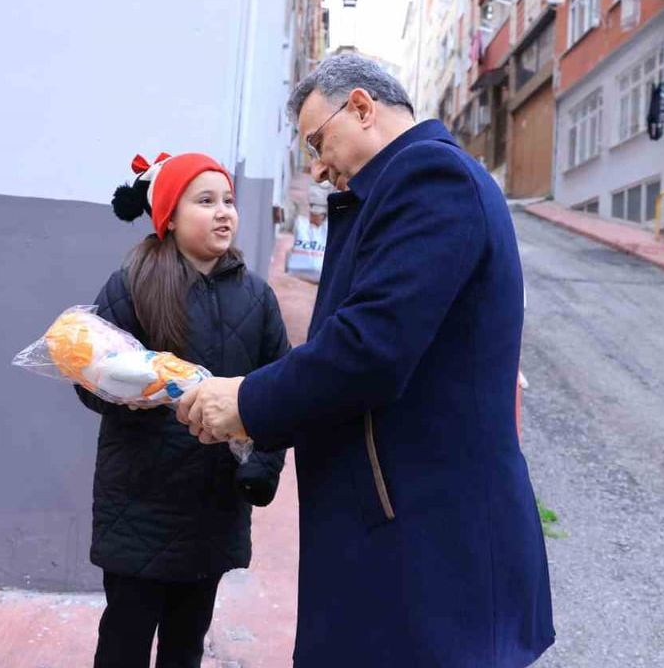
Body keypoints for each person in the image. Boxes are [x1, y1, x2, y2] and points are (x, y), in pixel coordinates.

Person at [178, 53, 555, 666]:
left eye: (318, 141)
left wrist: (247, 402)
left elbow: (369, 348)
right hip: (403, 525)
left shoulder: (431, 178)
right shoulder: (406, 186)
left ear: (360, 106)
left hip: (428, 538)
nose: (318, 166)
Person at [75, 151, 289, 668]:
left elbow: (280, 392)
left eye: (229, 201)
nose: (224, 212)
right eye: (206, 200)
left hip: (213, 505)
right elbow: (89, 384)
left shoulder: (257, 299)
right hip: (140, 501)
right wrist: (140, 386)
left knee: (185, 644)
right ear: (169, 217)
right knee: (124, 640)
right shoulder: (132, 286)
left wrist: (260, 469)